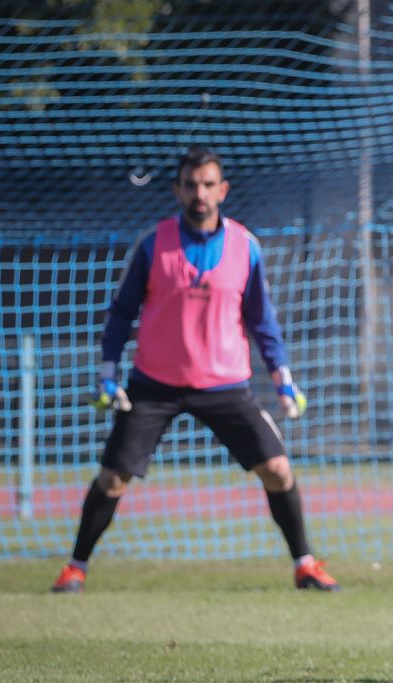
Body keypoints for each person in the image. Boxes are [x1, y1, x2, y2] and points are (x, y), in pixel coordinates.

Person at [49, 146, 338, 594]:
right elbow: (121, 314)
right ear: (177, 190)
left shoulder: (246, 247)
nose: (198, 193)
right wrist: (108, 373)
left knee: (279, 470)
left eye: (207, 184)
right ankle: (74, 569)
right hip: (154, 384)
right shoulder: (152, 244)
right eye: (190, 184)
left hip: (225, 384)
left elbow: (263, 321)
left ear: (222, 190)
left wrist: (283, 378)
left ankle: (305, 565)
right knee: (112, 478)